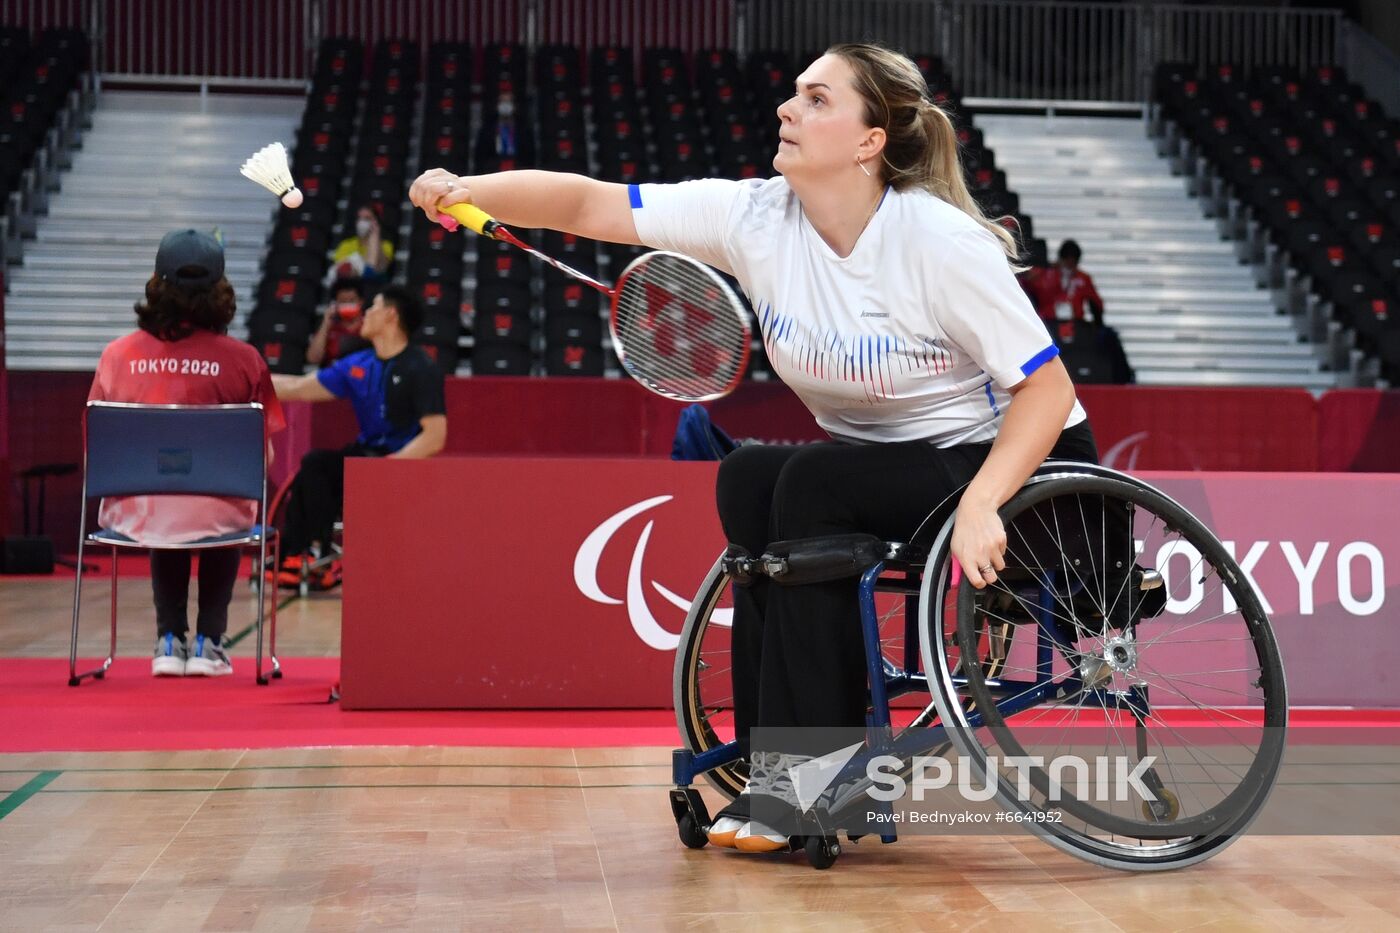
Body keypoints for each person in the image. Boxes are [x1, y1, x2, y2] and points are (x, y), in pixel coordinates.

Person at [408, 42, 1099, 854]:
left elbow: (1048, 392)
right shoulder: (758, 217)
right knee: (747, 477)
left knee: (810, 484)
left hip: (1018, 467)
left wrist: (984, 501)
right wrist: (464, 190)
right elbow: (591, 204)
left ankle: (813, 787)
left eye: (816, 98)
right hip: (885, 467)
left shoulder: (936, 241)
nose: (787, 109)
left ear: (870, 140)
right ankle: (783, 770)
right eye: (793, 95)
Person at [87, 229, 285, 677]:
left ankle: (167, 639)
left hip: (134, 515)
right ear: (220, 289)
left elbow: (94, 449)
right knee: (222, 498)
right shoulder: (245, 360)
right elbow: (263, 462)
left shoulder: (116, 356)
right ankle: (209, 642)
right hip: (218, 517)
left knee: (167, 496)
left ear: (156, 282)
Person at [271, 285, 447, 580]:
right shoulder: (358, 365)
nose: (366, 314)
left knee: (329, 465)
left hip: (405, 467)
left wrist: (384, 471)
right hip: (365, 459)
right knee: (316, 464)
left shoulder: (422, 368)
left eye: (373, 306)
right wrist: (244, 378)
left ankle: (319, 554)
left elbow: (434, 437)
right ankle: (310, 553)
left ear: (391, 315)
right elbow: (298, 387)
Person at [1024, 238, 1105, 325]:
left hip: (1075, 325)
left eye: (1073, 262)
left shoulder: (1083, 278)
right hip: (1048, 322)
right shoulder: (1044, 274)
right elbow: (1027, 286)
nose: (1069, 265)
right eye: (1067, 260)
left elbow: (1097, 304)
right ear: (1061, 258)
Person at [307, 276, 369, 367]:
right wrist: (325, 324)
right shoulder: (329, 327)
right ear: (336, 304)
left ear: (361, 302)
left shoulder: (369, 325)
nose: (347, 305)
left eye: (352, 301)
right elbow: (313, 359)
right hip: (332, 376)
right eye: (343, 301)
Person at [330, 203, 393, 284]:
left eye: (367, 218)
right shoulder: (346, 244)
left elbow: (380, 268)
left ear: (376, 222)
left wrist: (375, 237)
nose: (362, 222)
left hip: (374, 286)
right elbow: (342, 270)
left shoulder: (386, 245)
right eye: (359, 218)